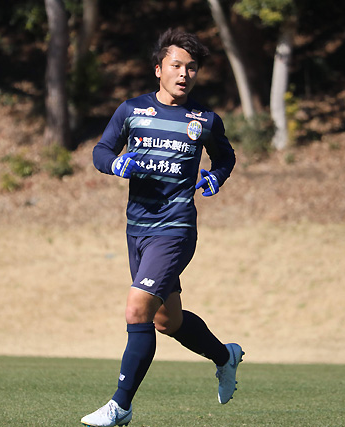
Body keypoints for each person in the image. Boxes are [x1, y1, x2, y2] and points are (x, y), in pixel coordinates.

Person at [82, 28, 243, 427]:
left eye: (192, 67)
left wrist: (215, 176)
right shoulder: (132, 111)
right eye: (176, 65)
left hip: (175, 229)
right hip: (137, 229)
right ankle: (225, 356)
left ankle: (120, 406)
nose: (184, 73)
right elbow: (101, 150)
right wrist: (114, 164)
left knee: (137, 309)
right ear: (158, 69)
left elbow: (225, 157)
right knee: (167, 321)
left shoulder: (204, 120)